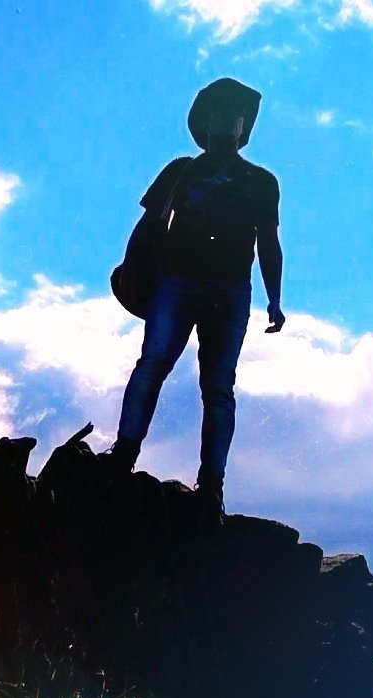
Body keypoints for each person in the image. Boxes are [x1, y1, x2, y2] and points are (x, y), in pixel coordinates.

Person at [103, 77, 285, 518]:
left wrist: (274, 299)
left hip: (230, 290)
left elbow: (269, 241)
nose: (227, 120)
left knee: (219, 388)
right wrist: (131, 274)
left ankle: (212, 484)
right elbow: (147, 227)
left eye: (235, 114)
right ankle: (124, 452)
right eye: (219, 112)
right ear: (206, 123)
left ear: (244, 127)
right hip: (177, 282)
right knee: (152, 365)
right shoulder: (181, 170)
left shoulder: (261, 181)